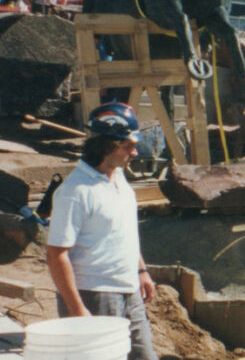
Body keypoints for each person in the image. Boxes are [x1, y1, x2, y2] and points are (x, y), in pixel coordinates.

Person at [46, 102, 157, 360]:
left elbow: (124, 230)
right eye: (128, 146)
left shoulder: (118, 177)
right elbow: (56, 255)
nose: (135, 152)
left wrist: (140, 270)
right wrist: (78, 311)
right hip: (95, 294)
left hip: (129, 290)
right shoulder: (76, 192)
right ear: (107, 146)